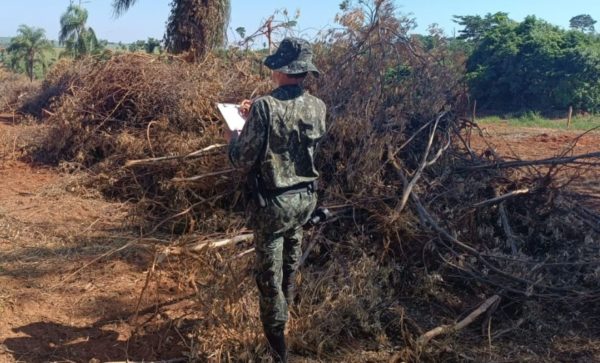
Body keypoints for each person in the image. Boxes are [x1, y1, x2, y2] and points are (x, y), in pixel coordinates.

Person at [226, 37, 326, 362]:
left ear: (281, 69)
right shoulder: (318, 106)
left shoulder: (266, 107)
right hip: (304, 200)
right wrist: (255, 112)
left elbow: (242, 159)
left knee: (268, 278)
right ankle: (288, 316)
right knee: (290, 264)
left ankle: (277, 349)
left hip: (273, 206)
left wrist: (235, 133)